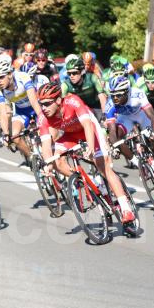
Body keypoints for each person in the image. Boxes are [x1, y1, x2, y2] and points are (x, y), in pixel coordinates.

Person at [36, 83, 136, 224]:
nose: (44, 108)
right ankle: (87, 181)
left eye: (47, 104)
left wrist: (90, 147)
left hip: (89, 129)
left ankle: (126, 209)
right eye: (41, 104)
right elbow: (46, 145)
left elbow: (88, 125)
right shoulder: (43, 118)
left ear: (58, 100)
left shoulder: (73, 101)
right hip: (71, 135)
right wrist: (48, 164)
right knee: (57, 162)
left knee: (103, 166)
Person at [105, 76, 154, 201]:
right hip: (126, 119)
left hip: (142, 116)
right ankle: (137, 162)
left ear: (127, 92)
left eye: (118, 95)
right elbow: (112, 131)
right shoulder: (110, 104)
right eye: (112, 95)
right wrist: (114, 145)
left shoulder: (137, 94)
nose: (115, 98)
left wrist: (153, 132)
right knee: (117, 139)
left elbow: (152, 117)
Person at [0, 54, 47, 159]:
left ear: (9, 74)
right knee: (15, 136)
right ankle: (32, 158)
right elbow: (3, 112)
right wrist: (6, 134)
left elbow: (33, 101)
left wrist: (41, 117)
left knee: (46, 134)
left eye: (1, 77)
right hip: (22, 111)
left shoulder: (22, 77)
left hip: (35, 108)